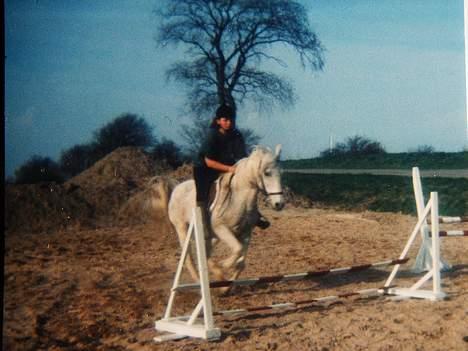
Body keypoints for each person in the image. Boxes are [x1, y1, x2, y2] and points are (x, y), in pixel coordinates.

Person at [193, 104, 270, 233]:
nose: (229, 123)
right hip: (204, 168)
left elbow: (242, 157)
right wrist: (229, 169)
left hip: (227, 165)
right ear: (218, 121)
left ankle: (255, 214)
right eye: (225, 120)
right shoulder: (212, 135)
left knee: (246, 185)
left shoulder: (237, 135)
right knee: (203, 192)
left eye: (231, 120)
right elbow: (209, 162)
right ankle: (204, 224)